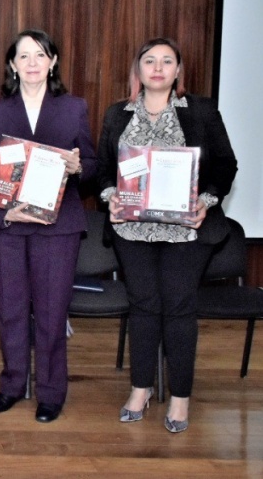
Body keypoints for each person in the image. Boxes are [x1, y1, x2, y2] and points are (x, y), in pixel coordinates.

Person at [98, 38, 237, 433]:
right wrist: (110, 197)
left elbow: (225, 164)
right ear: (137, 70)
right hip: (132, 229)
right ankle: (140, 389)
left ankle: (180, 398)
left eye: (167, 61)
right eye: (149, 61)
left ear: (178, 71)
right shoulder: (117, 114)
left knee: (178, 307)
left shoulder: (201, 112)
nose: (157, 68)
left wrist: (206, 202)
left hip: (187, 231)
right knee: (143, 305)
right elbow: (105, 169)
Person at [0, 29, 97, 423]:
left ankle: (51, 392)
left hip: (58, 229)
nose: (31, 63)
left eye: (39, 55)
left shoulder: (73, 108)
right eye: (23, 56)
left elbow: (92, 167)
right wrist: (3, 213)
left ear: (53, 61)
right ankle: (12, 386)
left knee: (51, 311)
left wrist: (80, 167)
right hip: (7, 228)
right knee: (9, 310)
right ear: (12, 64)